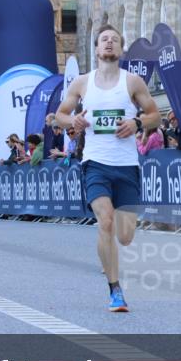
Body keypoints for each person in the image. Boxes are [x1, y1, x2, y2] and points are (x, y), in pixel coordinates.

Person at [55, 23, 159, 313]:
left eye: (114, 39)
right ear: (97, 48)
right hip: (95, 163)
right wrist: (73, 121)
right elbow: (60, 115)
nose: (109, 43)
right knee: (106, 222)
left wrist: (136, 122)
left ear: (121, 49)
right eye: (104, 39)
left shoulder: (133, 82)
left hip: (126, 165)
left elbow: (155, 116)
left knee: (125, 236)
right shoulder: (82, 83)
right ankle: (115, 290)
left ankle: (110, 254)